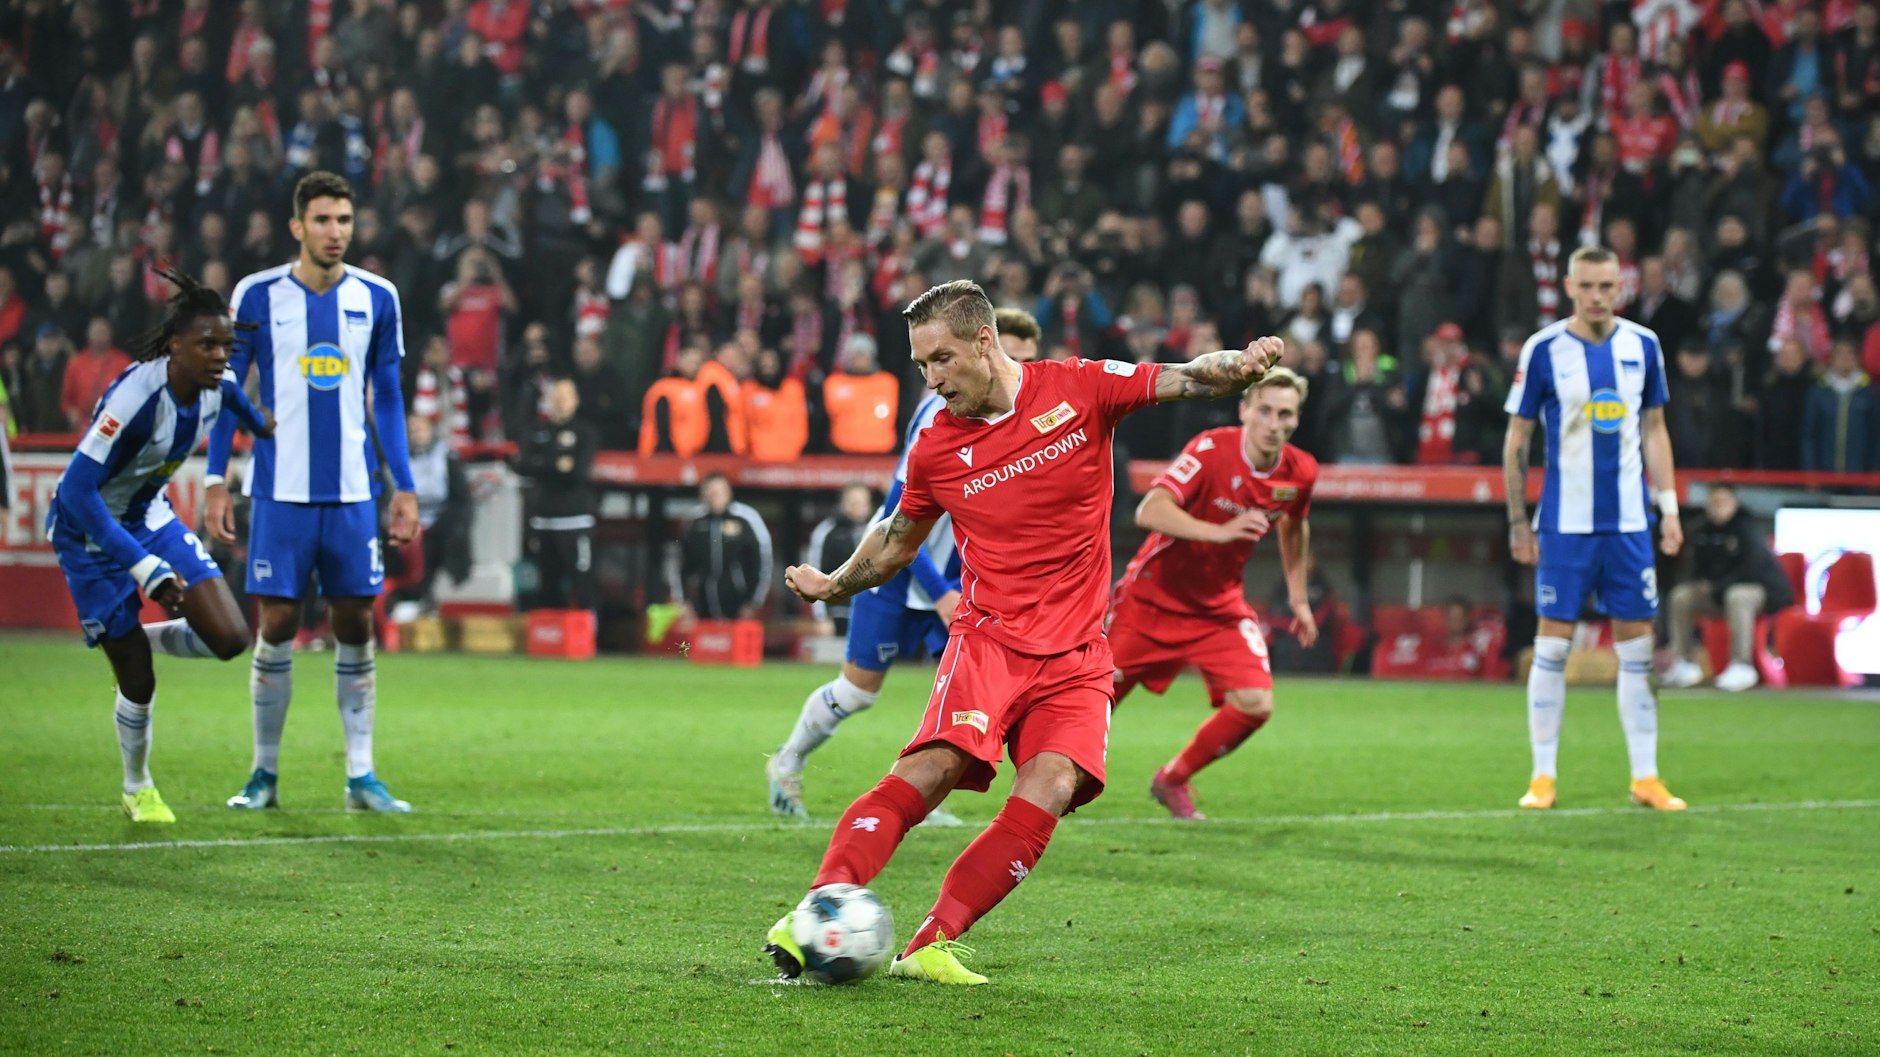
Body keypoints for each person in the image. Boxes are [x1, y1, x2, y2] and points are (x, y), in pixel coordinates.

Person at [768, 280, 1279, 986]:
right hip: (990, 640)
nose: (932, 379)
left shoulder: (1080, 387)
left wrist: (1241, 367)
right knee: (934, 769)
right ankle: (815, 910)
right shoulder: (937, 446)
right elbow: (894, 541)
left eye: (942, 359)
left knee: (1053, 784)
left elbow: (1186, 376)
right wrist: (834, 583)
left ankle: (932, 942)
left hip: (1078, 651)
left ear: (985, 341)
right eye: (921, 365)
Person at [764, 308, 1040, 824]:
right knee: (856, 693)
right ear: (985, 349)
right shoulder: (938, 417)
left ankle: (919, 794)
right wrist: (940, 591)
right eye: (1011, 356)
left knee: (965, 695)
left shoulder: (1023, 417)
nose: (1018, 371)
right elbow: (897, 521)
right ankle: (788, 759)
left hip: (957, 579)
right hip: (898, 574)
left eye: (1027, 361)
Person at [205, 171, 422, 814]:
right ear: (297, 225)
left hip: (353, 493)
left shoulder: (378, 297)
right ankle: (263, 774)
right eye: (323, 220)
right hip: (279, 490)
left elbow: (388, 397)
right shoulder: (257, 294)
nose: (335, 232)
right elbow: (226, 390)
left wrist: (403, 485)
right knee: (276, 622)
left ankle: (362, 775)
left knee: (356, 622)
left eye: (344, 221)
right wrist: (215, 478)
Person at [48, 268, 274, 822]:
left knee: (231, 638)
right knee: (138, 678)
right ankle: (138, 786)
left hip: (149, 513)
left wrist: (270, 422)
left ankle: (128, 638)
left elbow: (246, 410)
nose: (220, 356)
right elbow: (75, 491)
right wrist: (144, 566)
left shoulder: (218, 387)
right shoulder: (137, 398)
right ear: (175, 345)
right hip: (88, 530)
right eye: (207, 344)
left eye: (226, 346)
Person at [1502, 246, 1687, 813]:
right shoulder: (1544, 349)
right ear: (1569, 287)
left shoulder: (1644, 345)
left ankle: (1645, 777)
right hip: (1565, 525)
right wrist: (1517, 519)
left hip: (1629, 526)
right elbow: (1518, 438)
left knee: (1638, 651)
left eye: (1607, 286)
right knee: (1552, 648)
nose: (1598, 296)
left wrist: (1670, 508)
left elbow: (1655, 428)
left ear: (1620, 287)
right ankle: (1542, 776)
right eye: (1587, 286)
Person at [1108, 367, 1318, 820]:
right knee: (1093, 701)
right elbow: (1150, 510)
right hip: (1151, 600)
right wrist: (1218, 532)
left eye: (1285, 414)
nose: (1273, 423)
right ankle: (1044, 787)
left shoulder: (1301, 471)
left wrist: (1299, 598)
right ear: (1244, 411)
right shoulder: (1210, 449)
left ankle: (1172, 779)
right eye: (1264, 410)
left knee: (1256, 703)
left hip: (1217, 608)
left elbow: (1295, 526)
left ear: (1296, 420)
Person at [1662, 484, 1796, 692]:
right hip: (1720, 593)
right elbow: (1694, 567)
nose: (1718, 507)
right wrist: (1702, 583)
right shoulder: (1701, 531)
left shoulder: (1748, 528)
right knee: (1682, 596)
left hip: (1763, 592)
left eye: (1722, 502)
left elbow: (1752, 568)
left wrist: (1717, 585)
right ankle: (1685, 663)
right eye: (1713, 503)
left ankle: (1742, 665)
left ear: (1734, 504)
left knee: (1738, 595)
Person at [516, 378, 599, 612]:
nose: (561, 402)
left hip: (575, 520)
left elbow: (577, 472)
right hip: (543, 521)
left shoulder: (585, 432)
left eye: (566, 397)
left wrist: (543, 463)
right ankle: (552, 631)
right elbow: (522, 465)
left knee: (583, 584)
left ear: (576, 401)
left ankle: (589, 630)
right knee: (546, 588)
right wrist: (557, 464)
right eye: (557, 397)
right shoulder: (538, 431)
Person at [679, 473, 773, 621]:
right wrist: (684, 602)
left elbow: (762, 561)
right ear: (703, 494)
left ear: (728, 493)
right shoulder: (695, 522)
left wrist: (753, 602)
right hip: (702, 607)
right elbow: (681, 565)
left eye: (719, 492)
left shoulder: (746, 518)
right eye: (711, 492)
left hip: (739, 605)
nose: (715, 496)